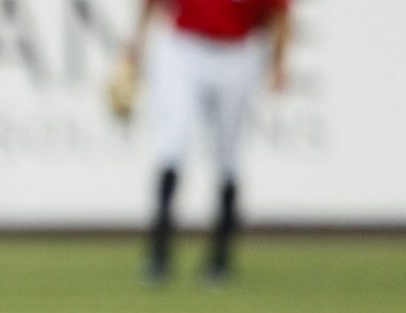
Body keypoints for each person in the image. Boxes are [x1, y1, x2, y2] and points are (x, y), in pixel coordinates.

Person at [125, 0, 291, 284]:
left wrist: (277, 63)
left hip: (238, 51)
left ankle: (219, 259)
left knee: (228, 155)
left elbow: (278, 14)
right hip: (184, 48)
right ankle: (158, 255)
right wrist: (136, 44)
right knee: (172, 144)